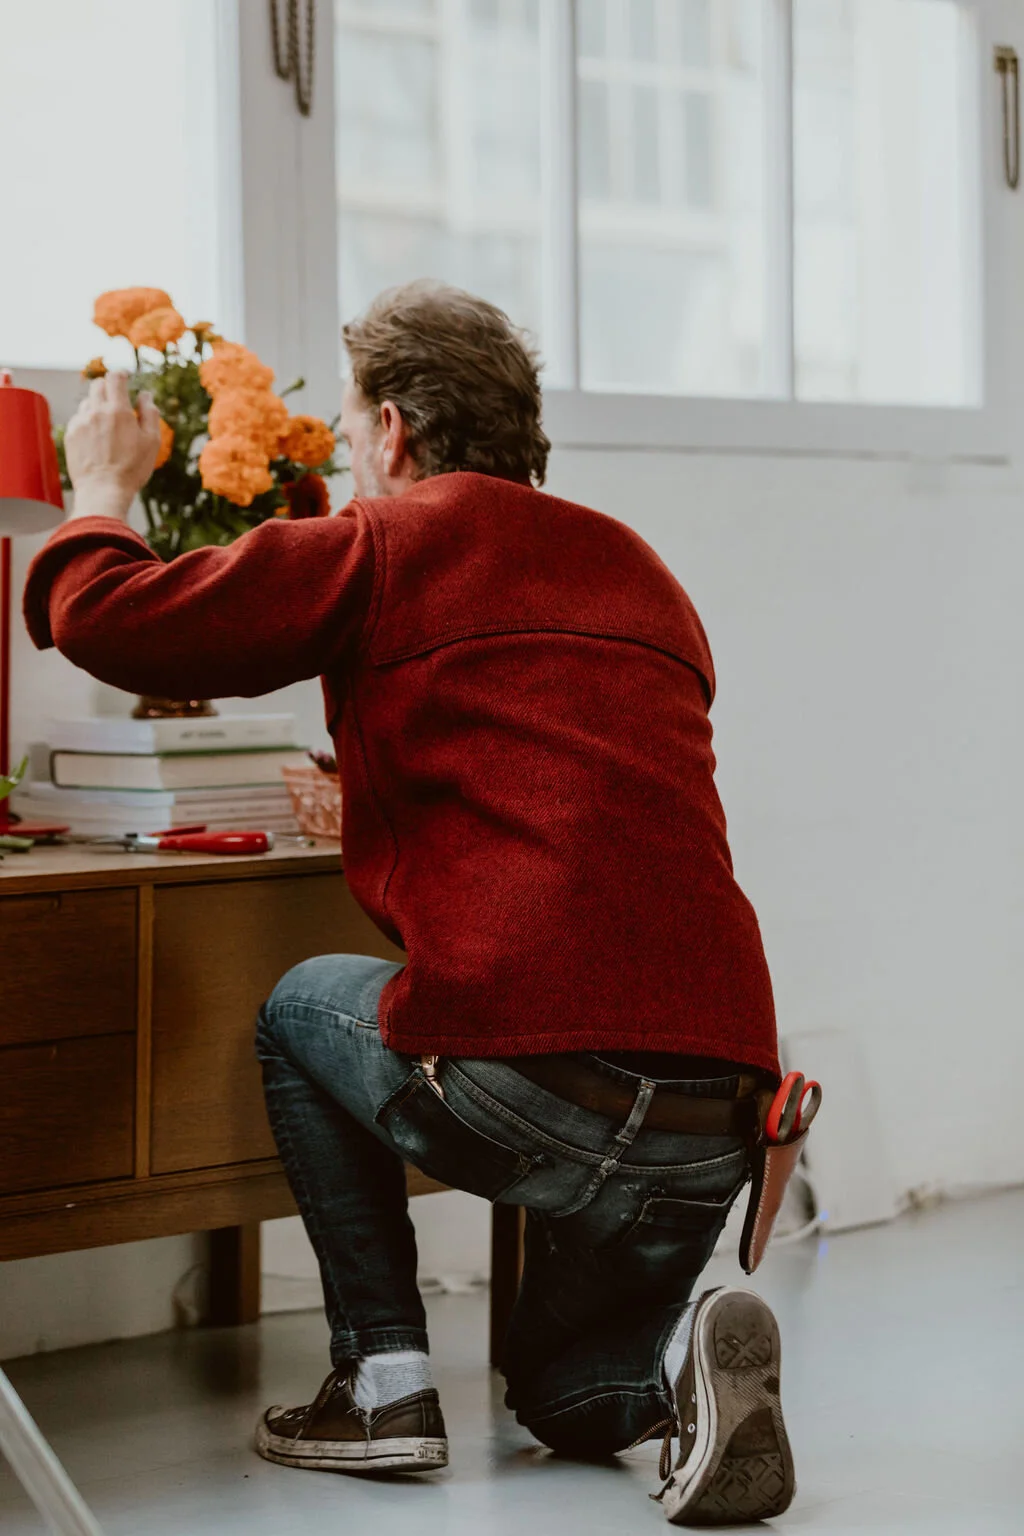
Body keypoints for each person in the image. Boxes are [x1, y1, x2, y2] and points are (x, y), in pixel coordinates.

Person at [24, 281, 794, 1526]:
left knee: (296, 1006)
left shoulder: (393, 546)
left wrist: (102, 494)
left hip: (533, 1080)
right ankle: (674, 1390)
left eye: (344, 426)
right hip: (718, 1108)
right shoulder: (641, 572)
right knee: (568, 1400)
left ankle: (380, 1383)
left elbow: (117, 620)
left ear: (390, 430)